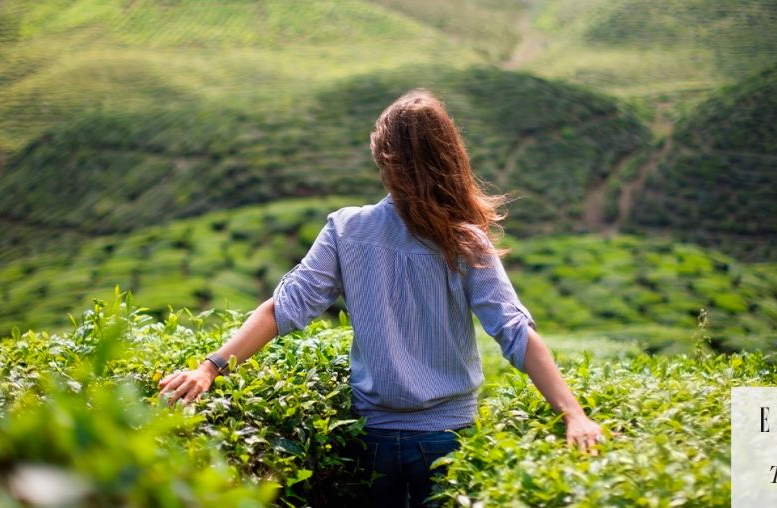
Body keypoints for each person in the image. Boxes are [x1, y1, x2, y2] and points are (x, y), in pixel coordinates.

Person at [158, 89, 605, 506]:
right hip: (449, 437)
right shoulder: (466, 241)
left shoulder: (347, 229)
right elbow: (514, 332)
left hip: (368, 439)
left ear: (383, 159)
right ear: (450, 159)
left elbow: (284, 309)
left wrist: (209, 367)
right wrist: (573, 413)